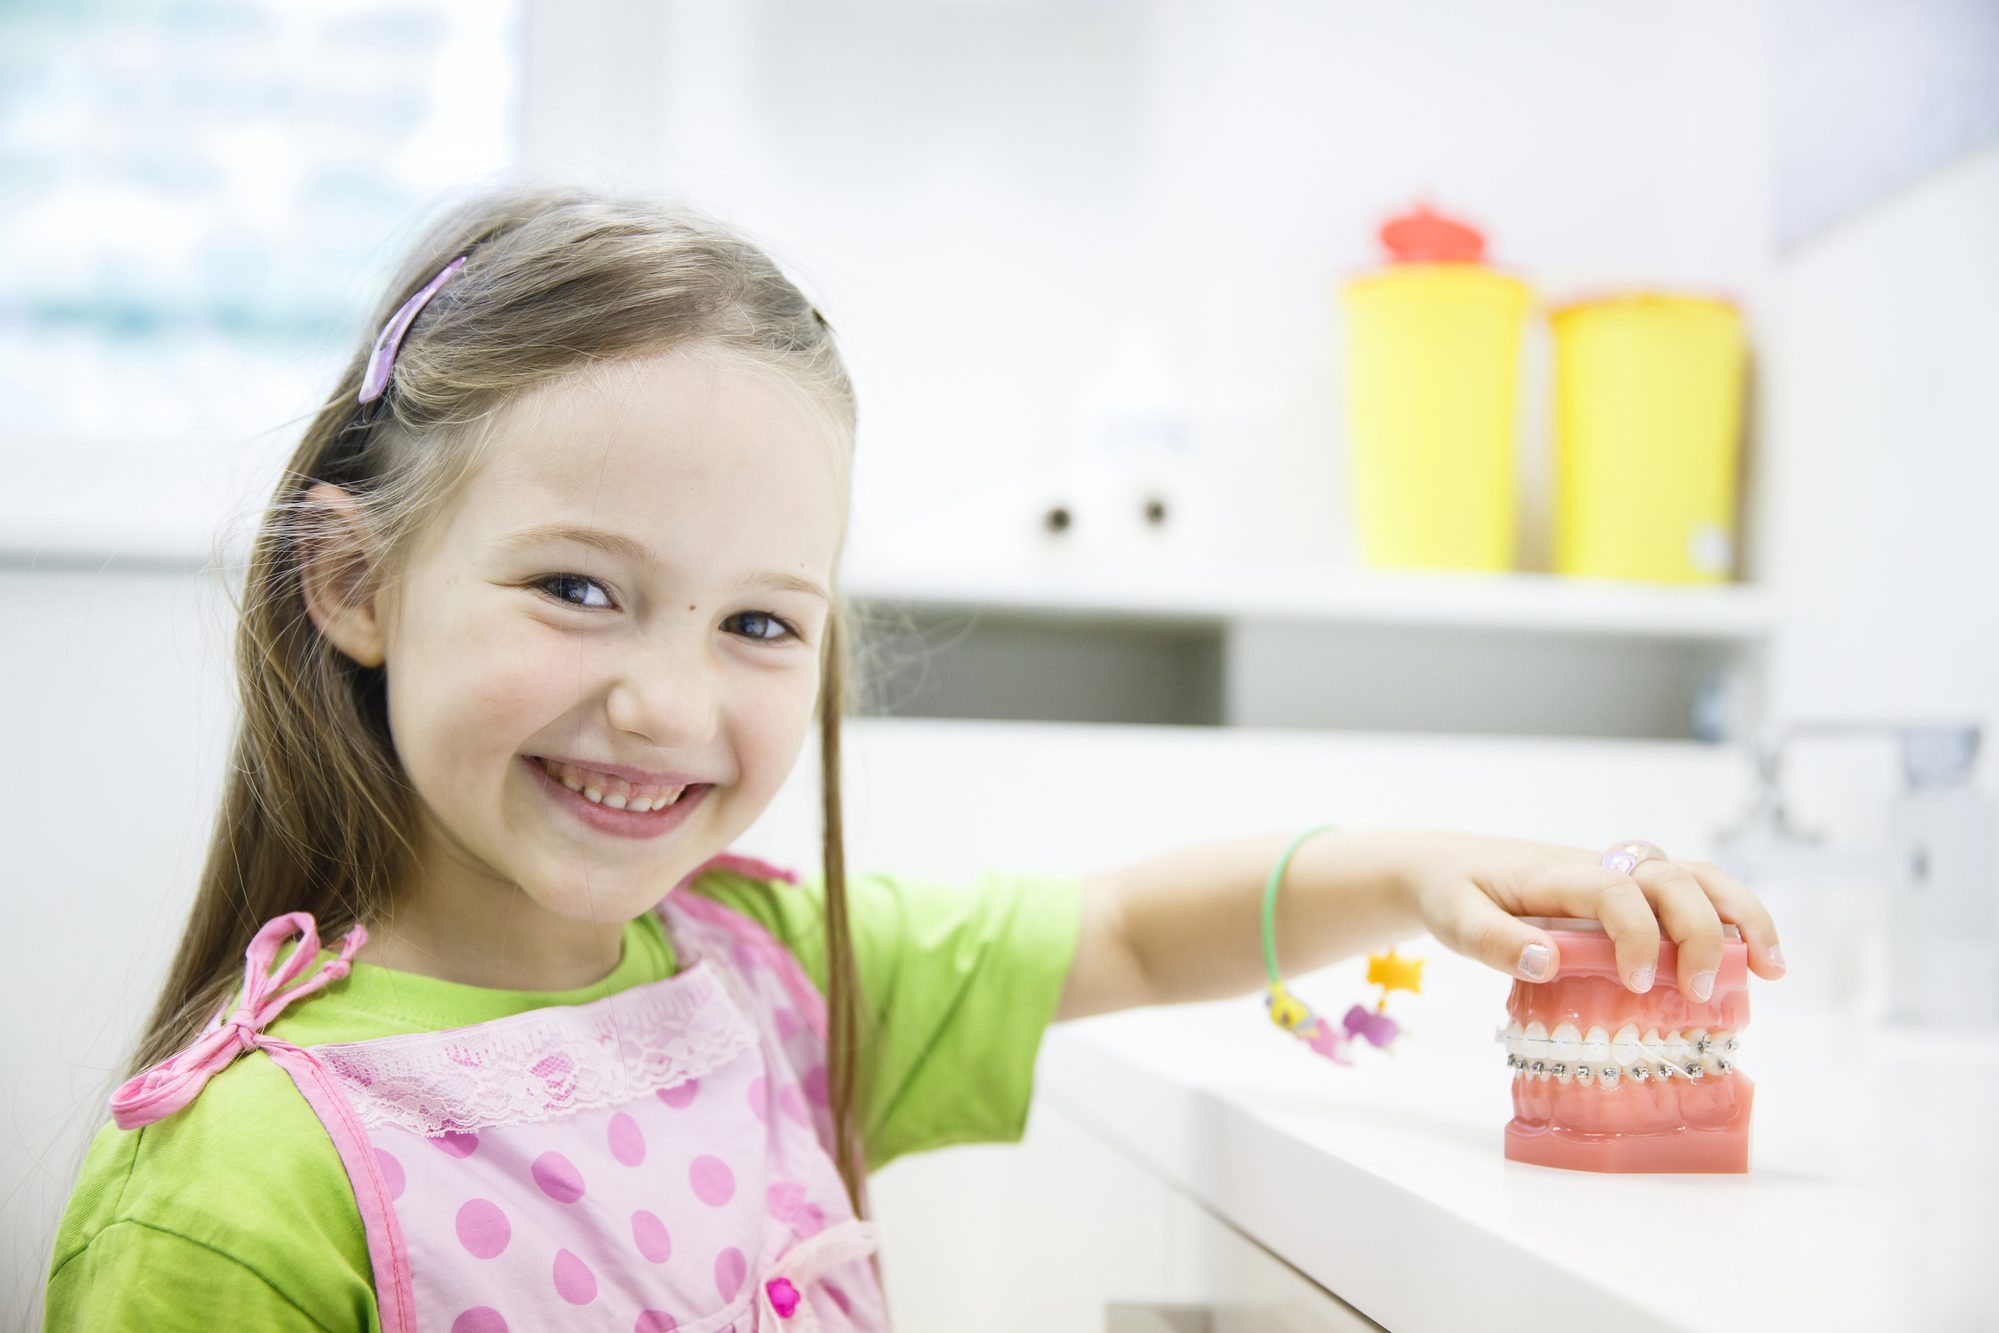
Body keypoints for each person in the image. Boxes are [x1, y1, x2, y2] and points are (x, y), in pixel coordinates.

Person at [42, 184, 1787, 1332]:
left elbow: (1119, 932)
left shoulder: (767, 979)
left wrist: (1415, 872)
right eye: (580, 589)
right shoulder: (237, 1184)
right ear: (356, 584)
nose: (666, 703)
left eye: (757, 624)